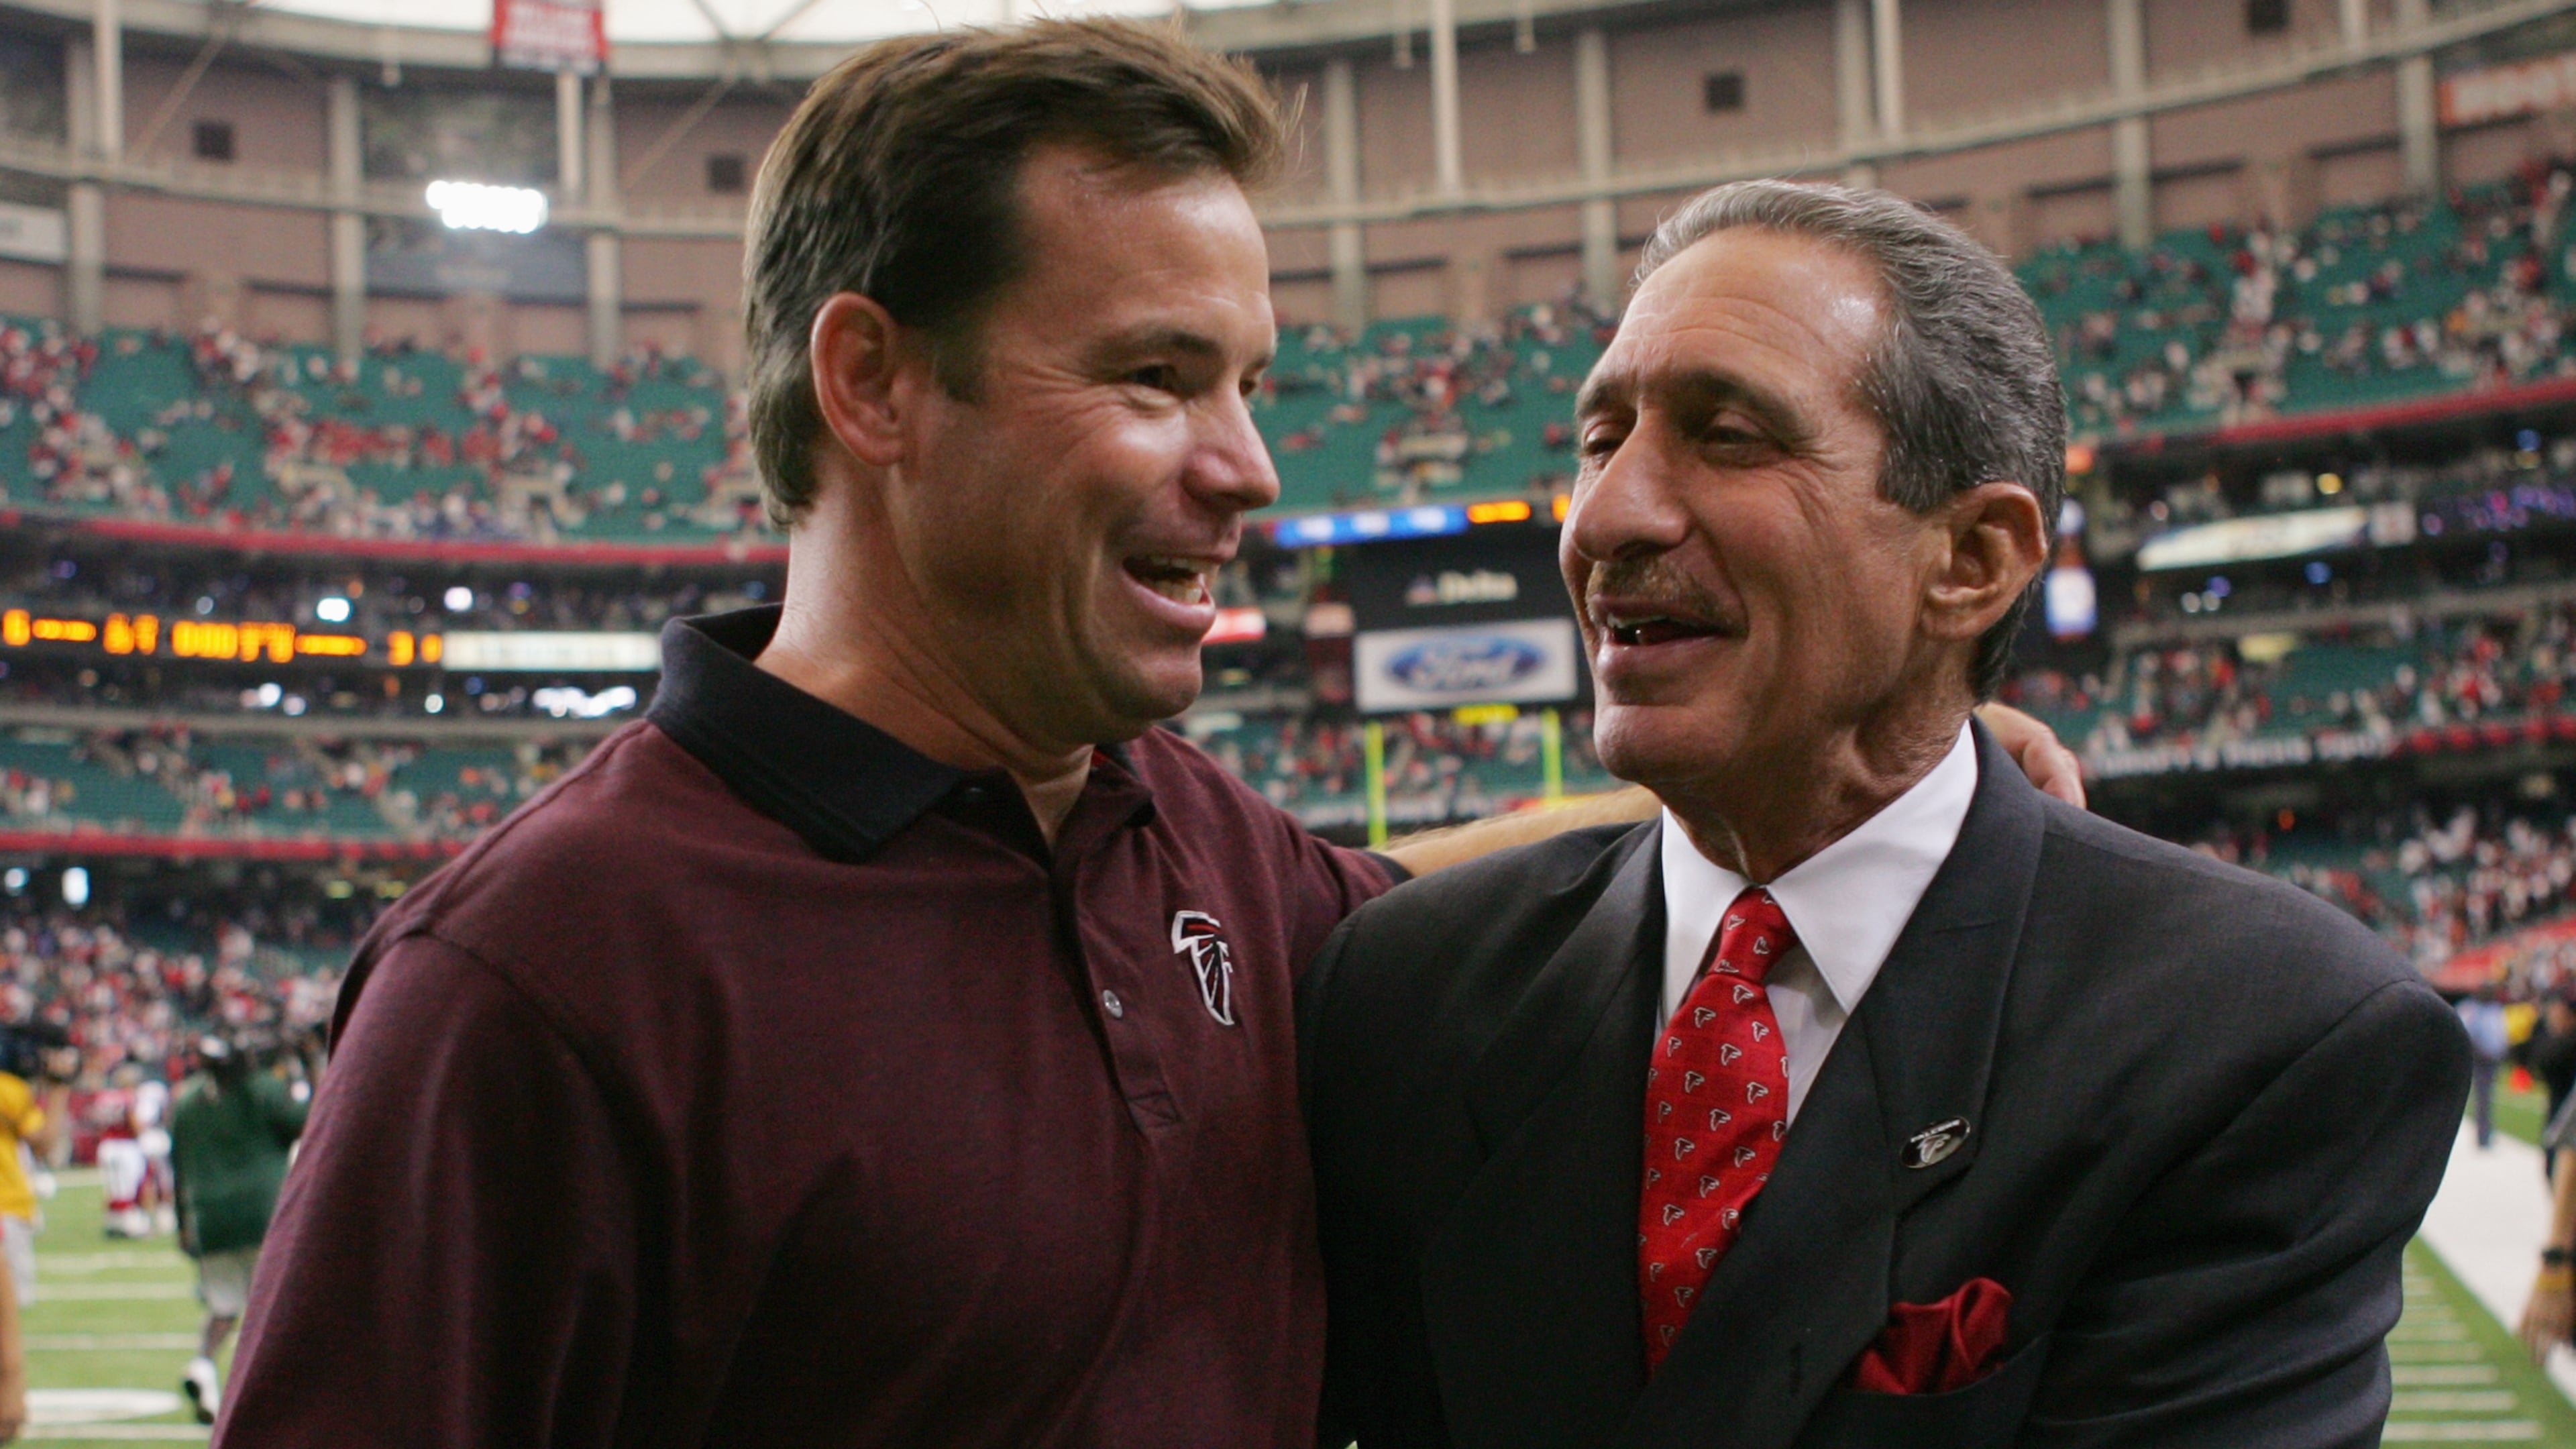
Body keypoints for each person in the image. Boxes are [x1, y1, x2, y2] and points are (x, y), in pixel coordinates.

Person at [215, 25, 2078, 1446]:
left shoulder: (1199, 854)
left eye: (1249, 385)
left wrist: (1869, 778)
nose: (1250, 467)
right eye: (1155, 376)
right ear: (874, 382)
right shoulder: (546, 973)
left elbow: (1471, 902)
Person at [1299, 180, 2471, 1449]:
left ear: (1970, 561)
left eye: (1730, 433)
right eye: (1601, 439)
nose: (1606, 516)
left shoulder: (2260, 1037)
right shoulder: (1404, 991)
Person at [168, 1035, 307, 1424]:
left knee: (224, 1304)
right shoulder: (262, 1089)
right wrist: (309, 1069)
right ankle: (271, 1387)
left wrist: (184, 1224)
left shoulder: (187, 1099)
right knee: (276, 1305)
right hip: (266, 1213)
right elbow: (308, 1123)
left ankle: (204, 1366)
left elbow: (177, 1165)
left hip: (210, 1218)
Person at [2462, 984, 2512, 1148]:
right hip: (2480, 1057)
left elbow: (2501, 1035)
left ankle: (2485, 1134)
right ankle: (2483, 1135)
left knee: (2485, 1097)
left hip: (2492, 1058)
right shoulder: (2472, 1009)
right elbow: (2467, 1031)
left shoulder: (2495, 1010)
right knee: (2483, 1098)